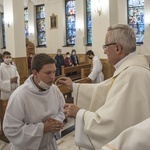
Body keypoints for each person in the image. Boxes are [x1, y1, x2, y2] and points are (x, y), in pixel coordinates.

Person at [58, 24, 150, 149]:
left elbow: (113, 124)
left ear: (117, 48)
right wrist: (74, 86)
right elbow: (104, 89)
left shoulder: (132, 74)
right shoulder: (131, 70)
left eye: (106, 46)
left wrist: (80, 113)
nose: (104, 51)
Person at [3, 53, 65, 150]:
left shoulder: (54, 89)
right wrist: (42, 128)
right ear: (35, 73)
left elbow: (62, 109)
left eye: (54, 72)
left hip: (49, 144)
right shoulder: (20, 95)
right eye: (48, 73)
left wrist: (57, 122)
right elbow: (11, 130)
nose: (53, 77)